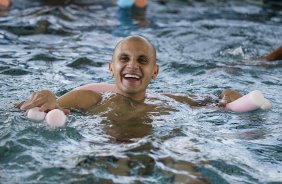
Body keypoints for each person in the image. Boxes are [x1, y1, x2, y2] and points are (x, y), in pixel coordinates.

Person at [18, 35, 281, 119]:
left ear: (154, 71)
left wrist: (229, 95)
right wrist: (47, 98)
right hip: (103, 153)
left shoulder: (169, 101)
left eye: (142, 60)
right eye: (124, 59)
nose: (132, 66)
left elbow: (215, 99)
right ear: (111, 68)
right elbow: (25, 110)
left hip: (155, 153)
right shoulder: (88, 98)